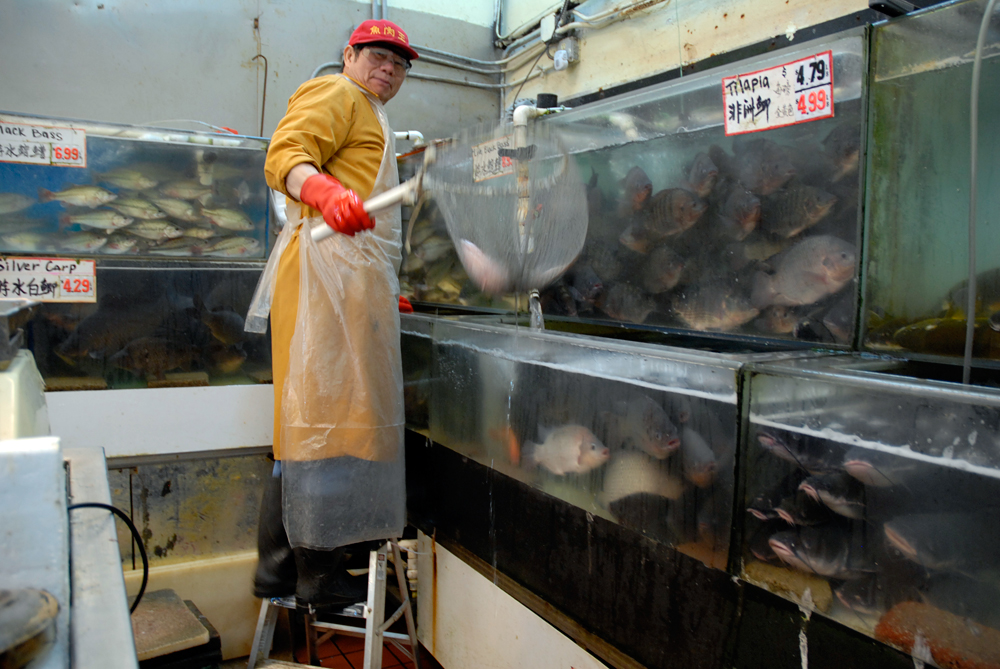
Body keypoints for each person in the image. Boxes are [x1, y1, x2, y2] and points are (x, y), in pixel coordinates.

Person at [246, 18, 418, 609]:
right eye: (377, 56)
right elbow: (286, 153)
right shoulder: (337, 92)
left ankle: (275, 568)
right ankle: (319, 573)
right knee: (333, 417)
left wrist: (380, 284)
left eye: (398, 64)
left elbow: (371, 210)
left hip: (349, 276)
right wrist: (321, 192)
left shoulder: (373, 113)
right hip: (326, 275)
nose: (388, 69)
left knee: (308, 418)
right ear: (349, 55)